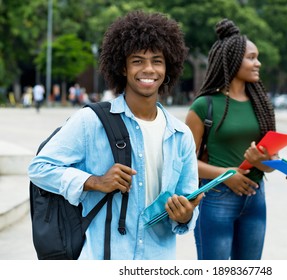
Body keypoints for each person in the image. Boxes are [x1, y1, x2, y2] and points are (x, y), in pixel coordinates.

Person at [28, 10, 202, 260]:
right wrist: (94, 181)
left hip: (159, 260)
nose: (148, 69)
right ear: (122, 66)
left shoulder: (180, 134)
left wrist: (185, 215)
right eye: (138, 61)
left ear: (168, 66)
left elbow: (187, 204)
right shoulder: (91, 121)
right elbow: (39, 168)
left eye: (157, 60)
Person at [185, 18, 277, 260]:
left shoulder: (262, 106)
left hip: (256, 198)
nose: (258, 63)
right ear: (233, 59)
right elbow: (186, 163)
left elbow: (272, 163)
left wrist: (260, 162)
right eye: (252, 57)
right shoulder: (204, 106)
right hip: (217, 199)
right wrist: (227, 175)